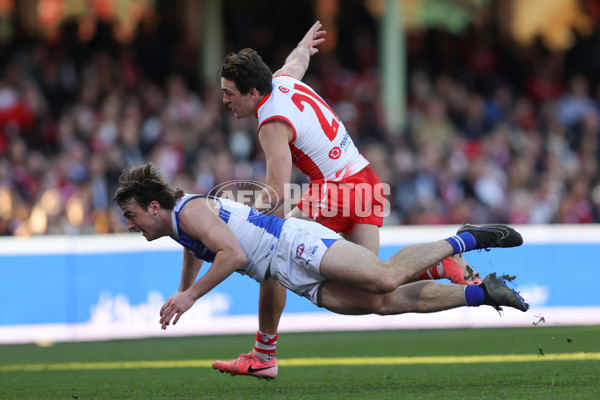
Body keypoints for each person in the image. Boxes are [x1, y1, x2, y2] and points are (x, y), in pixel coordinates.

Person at [216, 21, 482, 377]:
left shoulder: (271, 123)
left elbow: (277, 194)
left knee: (272, 252)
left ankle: (264, 355)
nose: (225, 100)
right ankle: (439, 265)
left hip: (337, 189)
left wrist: (236, 217)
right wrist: (303, 45)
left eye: (229, 92)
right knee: (371, 279)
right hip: (367, 182)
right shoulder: (282, 81)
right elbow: (296, 63)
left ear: (251, 91)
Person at [112, 163, 528, 380]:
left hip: (295, 243)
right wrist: (183, 287)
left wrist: (190, 296)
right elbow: (194, 248)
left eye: (131, 215)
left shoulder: (191, 208)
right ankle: (484, 293)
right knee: (383, 305)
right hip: (290, 272)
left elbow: (233, 254)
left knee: (385, 276)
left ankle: (467, 239)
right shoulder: (180, 224)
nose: (130, 226)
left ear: (153, 207)